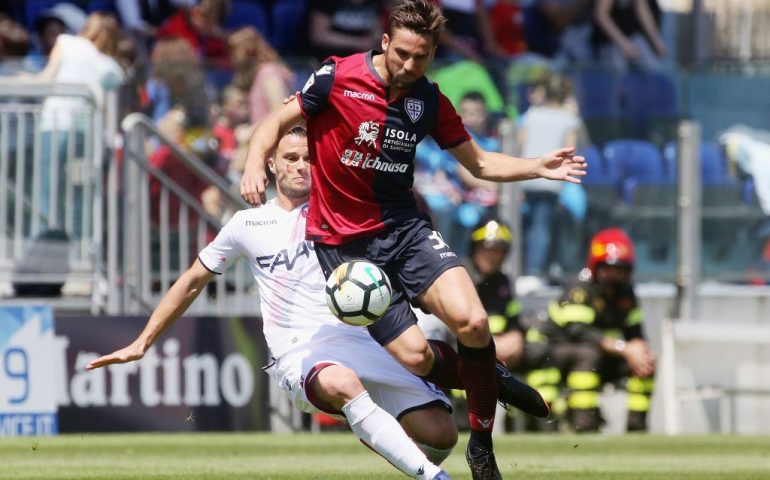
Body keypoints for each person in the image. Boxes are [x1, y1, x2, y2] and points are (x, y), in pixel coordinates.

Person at [240, 1, 585, 477]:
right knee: (417, 357)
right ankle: (491, 377)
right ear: (384, 42)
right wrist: (255, 161)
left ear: (432, 54)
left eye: (419, 57)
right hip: (346, 248)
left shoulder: (429, 101)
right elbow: (273, 124)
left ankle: (481, 447)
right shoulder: (336, 77)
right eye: (401, 53)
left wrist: (537, 167)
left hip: (405, 230)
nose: (408, 65)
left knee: (474, 322)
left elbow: (480, 164)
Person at [87, 127, 455, 480]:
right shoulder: (247, 225)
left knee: (441, 435)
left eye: (309, 157)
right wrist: (143, 342)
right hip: (300, 352)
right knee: (342, 383)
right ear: (271, 165)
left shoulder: (344, 211)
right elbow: (190, 282)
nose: (299, 165)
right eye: (290, 157)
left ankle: (382, 436)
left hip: (363, 340)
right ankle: (434, 477)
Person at [527, 227, 656, 432]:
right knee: (588, 354)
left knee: (646, 359)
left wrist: (640, 350)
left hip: (598, 353)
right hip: (551, 350)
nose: (615, 275)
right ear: (596, 267)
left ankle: (637, 427)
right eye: (609, 268)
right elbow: (579, 332)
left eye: (621, 269)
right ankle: (584, 423)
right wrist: (624, 348)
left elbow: (635, 331)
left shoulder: (626, 294)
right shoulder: (580, 288)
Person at [517, 73, 582, 280]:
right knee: (541, 226)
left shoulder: (531, 114)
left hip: (526, 173)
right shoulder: (569, 119)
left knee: (534, 223)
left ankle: (536, 267)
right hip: (549, 178)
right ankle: (534, 271)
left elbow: (519, 144)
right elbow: (572, 150)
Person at [226, 26, 296, 127]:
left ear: (248, 51)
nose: (232, 59)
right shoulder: (258, 76)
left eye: (234, 51)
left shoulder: (268, 75)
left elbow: (279, 116)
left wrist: (250, 132)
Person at [592, 0, 667, 72]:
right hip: (608, 41)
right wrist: (623, 44)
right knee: (618, 71)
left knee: (652, 68)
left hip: (632, 37)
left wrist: (656, 40)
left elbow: (642, 10)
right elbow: (601, 15)